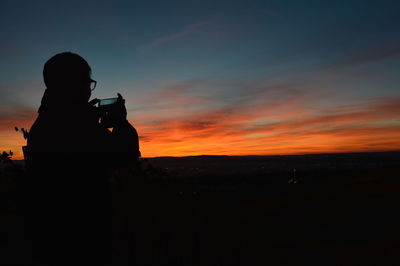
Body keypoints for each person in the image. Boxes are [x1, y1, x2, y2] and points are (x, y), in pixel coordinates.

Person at [24, 52, 140, 265]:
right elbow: (125, 156)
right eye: (88, 82)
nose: (89, 89)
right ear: (76, 84)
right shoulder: (77, 125)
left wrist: (88, 117)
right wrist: (121, 123)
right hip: (84, 236)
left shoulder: (44, 122)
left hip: (47, 236)